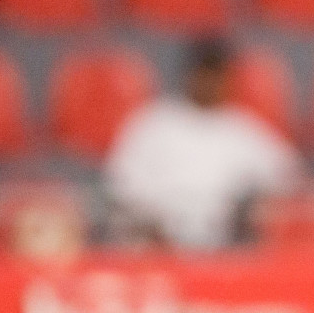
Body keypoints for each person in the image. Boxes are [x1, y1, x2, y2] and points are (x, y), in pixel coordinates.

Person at [106, 40, 299, 250]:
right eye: (204, 74)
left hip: (225, 244)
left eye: (218, 75)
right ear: (189, 75)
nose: (211, 83)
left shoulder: (242, 128)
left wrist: (249, 204)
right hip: (157, 241)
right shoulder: (152, 123)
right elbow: (122, 183)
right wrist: (154, 220)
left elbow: (287, 174)